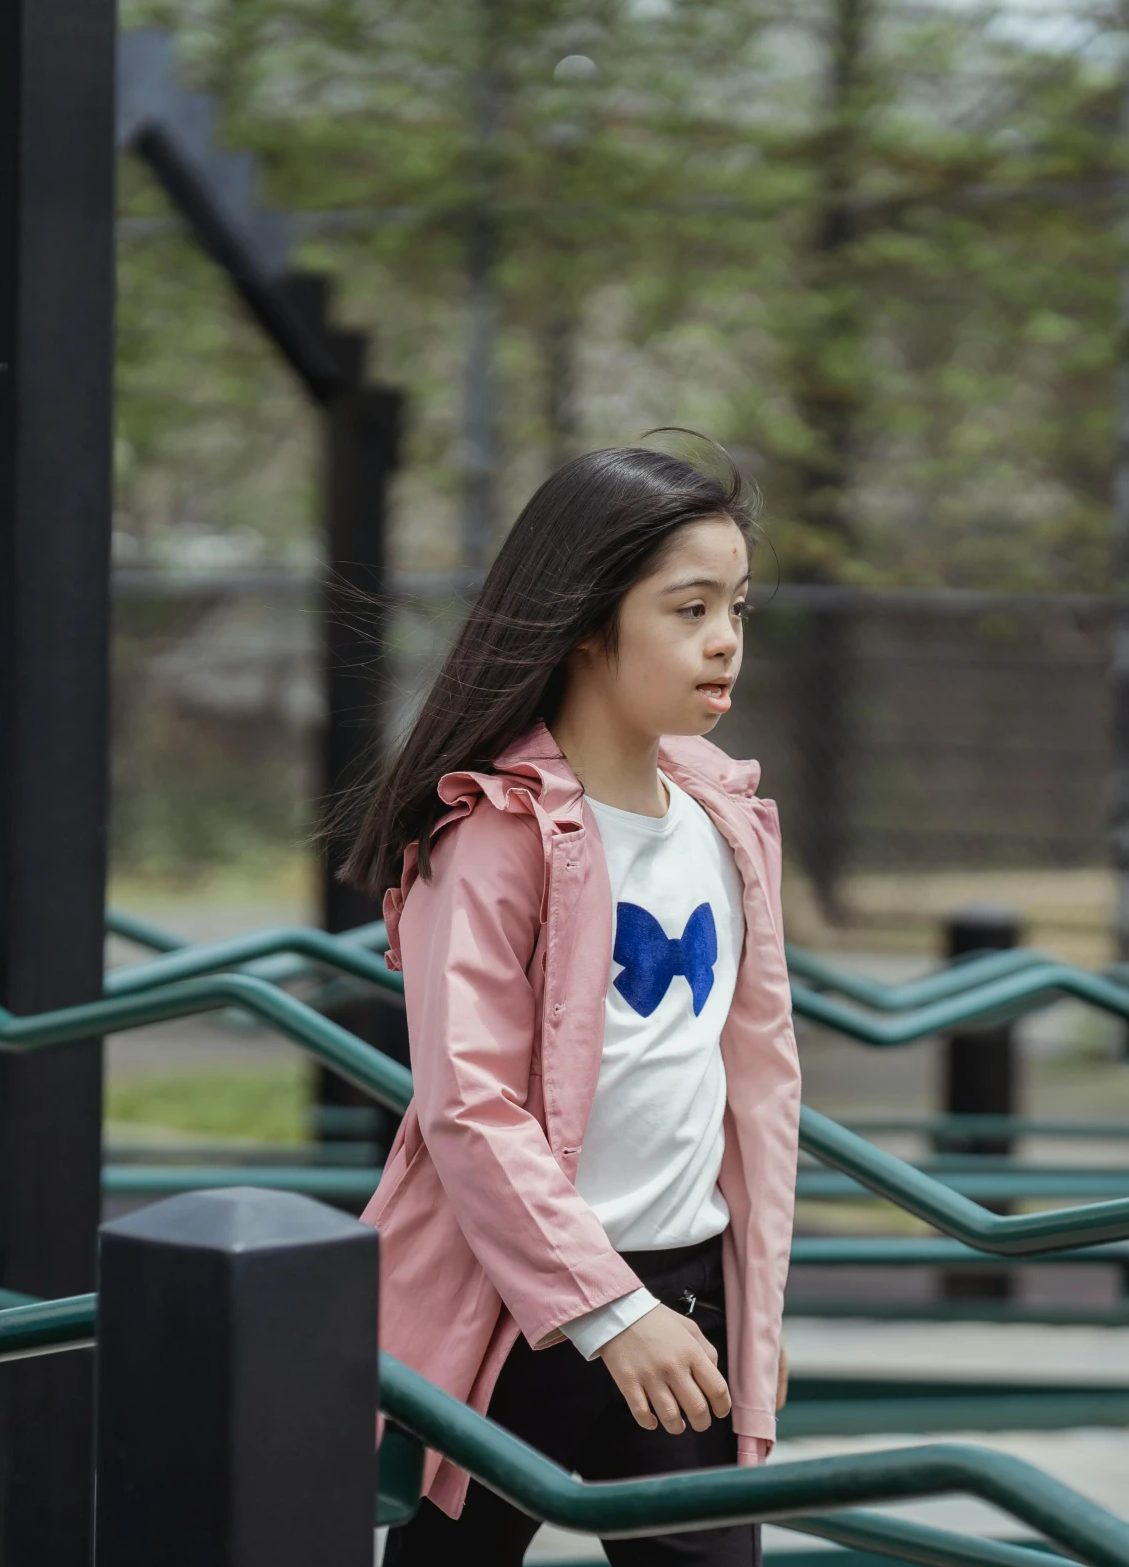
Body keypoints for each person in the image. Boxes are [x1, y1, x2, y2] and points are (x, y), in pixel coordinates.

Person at [340, 441, 799, 1567]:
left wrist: (722, 1306)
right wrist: (606, 1309)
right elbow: (469, 1106)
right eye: (688, 608)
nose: (725, 637)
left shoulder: (725, 819)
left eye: (735, 605)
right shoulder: (496, 836)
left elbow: (760, 1077)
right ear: (589, 623)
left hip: (685, 1297)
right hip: (519, 1310)